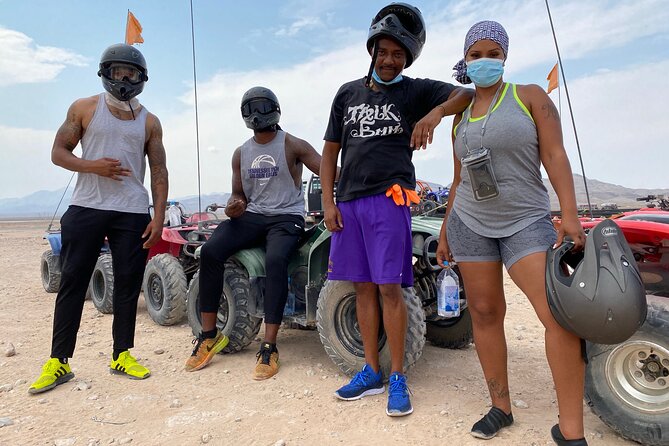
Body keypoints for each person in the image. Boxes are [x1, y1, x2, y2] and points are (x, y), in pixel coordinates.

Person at [436, 21, 587, 445]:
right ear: (465, 60)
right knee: (484, 313)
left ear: (504, 56)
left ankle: (570, 429)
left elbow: (556, 154)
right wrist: (446, 229)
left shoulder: (529, 97)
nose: (484, 61)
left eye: (492, 53)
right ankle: (500, 407)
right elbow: (458, 178)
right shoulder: (460, 116)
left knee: (557, 314)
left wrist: (569, 214)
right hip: (469, 223)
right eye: (475, 54)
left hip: (524, 221)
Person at [320, 3, 473, 417]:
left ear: (407, 58)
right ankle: (370, 371)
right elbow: (331, 150)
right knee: (362, 288)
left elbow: (467, 93)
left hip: (390, 201)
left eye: (398, 54)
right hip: (349, 205)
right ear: (372, 51)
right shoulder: (347, 93)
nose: (390, 60)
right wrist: (327, 201)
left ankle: (399, 375)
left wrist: (436, 114)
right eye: (383, 52)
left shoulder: (415, 90)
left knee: (391, 288)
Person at [29, 43, 168, 394]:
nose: (124, 78)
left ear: (141, 78)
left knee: (127, 284)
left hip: (133, 211)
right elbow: (58, 152)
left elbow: (159, 169)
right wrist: (94, 167)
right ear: (106, 72)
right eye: (118, 71)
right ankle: (58, 361)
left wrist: (159, 214)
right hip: (87, 206)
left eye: (131, 73)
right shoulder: (85, 108)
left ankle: (122, 354)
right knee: (73, 281)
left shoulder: (149, 121)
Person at [185, 86, 324, 380]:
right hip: (254, 215)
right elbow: (239, 195)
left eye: (262, 107)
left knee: (276, 260)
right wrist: (235, 206)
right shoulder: (241, 153)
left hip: (287, 217)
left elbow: (325, 168)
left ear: (275, 110)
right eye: (251, 108)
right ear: (244, 115)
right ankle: (209, 336)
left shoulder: (293, 145)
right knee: (210, 251)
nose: (257, 114)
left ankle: (270, 345)